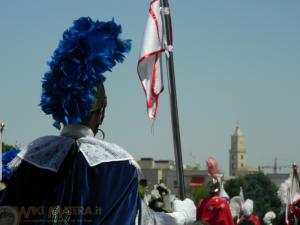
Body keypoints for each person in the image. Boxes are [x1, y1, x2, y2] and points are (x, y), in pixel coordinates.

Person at [0, 17, 195, 225]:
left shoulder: (30, 159)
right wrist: (181, 216)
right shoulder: (118, 167)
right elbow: (139, 220)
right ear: (100, 114)